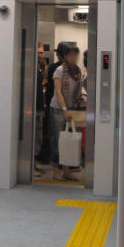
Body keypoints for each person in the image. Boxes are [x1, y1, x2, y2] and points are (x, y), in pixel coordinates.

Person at [50, 45, 87, 180]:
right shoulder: (59, 70)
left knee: (68, 140)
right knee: (58, 140)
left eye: (76, 55)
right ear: (65, 56)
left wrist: (83, 98)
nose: (74, 58)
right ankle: (55, 170)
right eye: (71, 55)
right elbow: (58, 91)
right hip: (58, 109)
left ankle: (66, 171)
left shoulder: (78, 71)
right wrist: (64, 109)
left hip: (71, 110)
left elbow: (79, 90)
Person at [34, 43, 46, 177]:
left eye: (42, 53)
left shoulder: (40, 67)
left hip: (39, 106)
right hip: (34, 107)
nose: (40, 55)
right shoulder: (33, 67)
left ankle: (34, 165)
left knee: (38, 137)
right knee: (35, 136)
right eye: (38, 52)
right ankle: (32, 166)